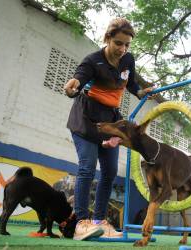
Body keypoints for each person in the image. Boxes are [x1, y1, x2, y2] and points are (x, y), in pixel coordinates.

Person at [63, 17, 154, 241]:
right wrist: (71, 87)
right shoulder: (92, 61)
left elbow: (130, 82)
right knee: (87, 167)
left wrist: (140, 92)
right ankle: (81, 223)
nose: (123, 49)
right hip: (86, 118)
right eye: (118, 43)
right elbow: (77, 80)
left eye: (127, 45)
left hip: (110, 121)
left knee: (110, 171)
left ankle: (100, 221)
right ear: (107, 38)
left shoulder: (127, 60)